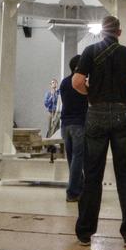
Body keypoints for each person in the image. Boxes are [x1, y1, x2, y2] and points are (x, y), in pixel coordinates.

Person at [72, 15, 126, 247]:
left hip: (96, 114)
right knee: (125, 175)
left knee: (92, 174)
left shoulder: (90, 51)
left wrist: (92, 95)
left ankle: (85, 232)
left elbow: (77, 81)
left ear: (101, 32)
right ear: (119, 33)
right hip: (123, 114)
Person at [58, 54, 87, 202]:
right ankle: (73, 192)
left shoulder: (63, 83)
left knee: (72, 159)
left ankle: (79, 186)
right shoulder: (82, 84)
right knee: (78, 158)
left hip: (65, 126)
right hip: (78, 125)